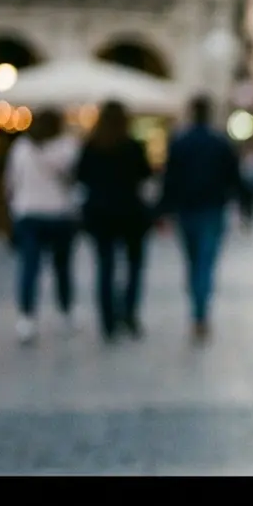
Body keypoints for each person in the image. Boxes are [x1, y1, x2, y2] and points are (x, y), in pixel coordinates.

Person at [158, 95, 241, 343]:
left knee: (193, 261)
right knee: (205, 262)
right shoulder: (219, 142)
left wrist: (163, 209)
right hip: (212, 209)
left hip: (187, 210)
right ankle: (200, 313)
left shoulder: (180, 142)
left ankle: (197, 307)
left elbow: (169, 178)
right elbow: (233, 176)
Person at [75, 100, 154, 342]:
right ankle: (129, 313)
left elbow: (81, 176)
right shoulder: (132, 146)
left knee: (105, 267)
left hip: (100, 215)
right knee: (133, 266)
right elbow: (146, 175)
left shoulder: (91, 146)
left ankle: (108, 320)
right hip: (130, 214)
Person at [4, 108, 82, 344]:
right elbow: (75, 179)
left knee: (29, 267)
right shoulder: (68, 147)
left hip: (28, 213)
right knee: (62, 267)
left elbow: (11, 182)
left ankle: (27, 318)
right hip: (60, 214)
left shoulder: (21, 147)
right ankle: (65, 312)